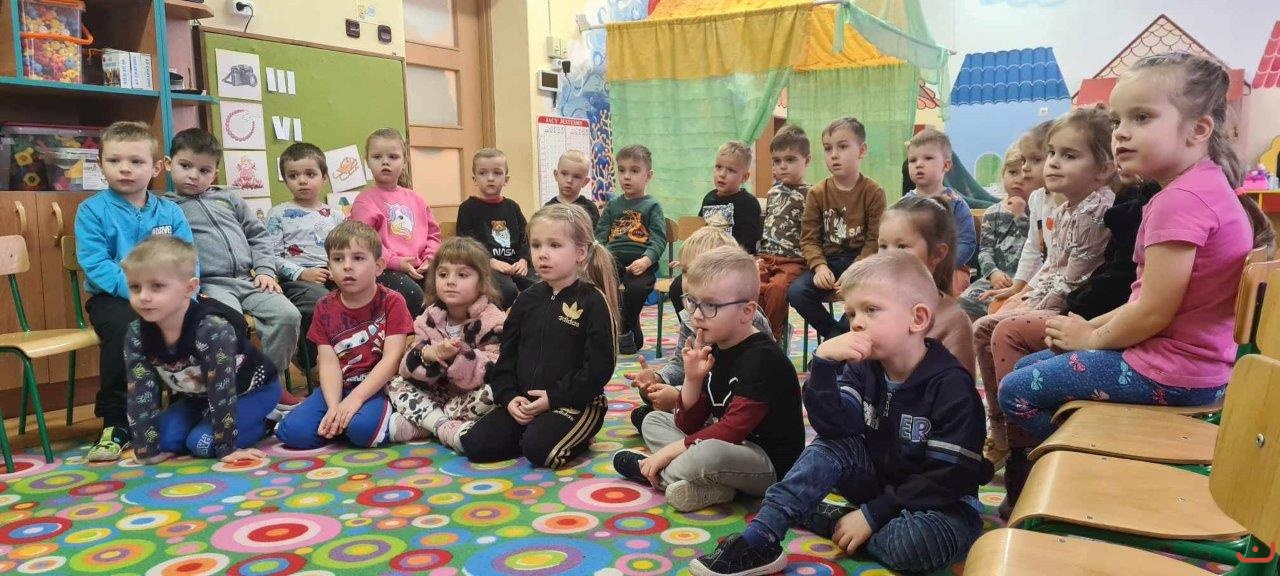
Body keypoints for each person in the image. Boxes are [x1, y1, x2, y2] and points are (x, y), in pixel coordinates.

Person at [998, 53, 1277, 511]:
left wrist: (1090, 337)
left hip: (1173, 373)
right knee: (1031, 367)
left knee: (1015, 391)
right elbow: (1147, 298)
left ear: (1198, 130)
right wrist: (1087, 330)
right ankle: (1091, 458)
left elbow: (1153, 312)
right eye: (1117, 120)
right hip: (1192, 366)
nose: (1121, 133)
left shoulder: (1180, 202)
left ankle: (1101, 468)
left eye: (1141, 117)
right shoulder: (1203, 188)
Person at [691, 251, 987, 576]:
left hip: (942, 505)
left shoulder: (951, 386)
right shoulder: (864, 368)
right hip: (880, 485)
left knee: (915, 545)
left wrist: (873, 514)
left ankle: (831, 519)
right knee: (829, 447)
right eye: (851, 313)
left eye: (871, 310)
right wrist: (822, 366)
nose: (856, 322)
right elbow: (834, 428)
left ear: (917, 319)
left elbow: (947, 478)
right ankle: (761, 536)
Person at [76, 121, 245, 462]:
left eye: (136, 161)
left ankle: (204, 399)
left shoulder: (169, 210)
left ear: (155, 168)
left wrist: (184, 299)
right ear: (101, 165)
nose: (125, 168)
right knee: (128, 329)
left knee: (227, 320)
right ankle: (115, 421)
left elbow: (188, 258)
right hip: (116, 298)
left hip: (174, 296)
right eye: (114, 161)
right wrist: (140, 294)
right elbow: (97, 263)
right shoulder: (91, 211)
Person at [974, 106, 1118, 468]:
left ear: (1103, 169)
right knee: (985, 325)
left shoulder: (1095, 209)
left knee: (998, 329)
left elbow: (1073, 279)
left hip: (1076, 308)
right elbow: (1048, 262)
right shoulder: (1068, 206)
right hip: (1056, 293)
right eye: (1051, 154)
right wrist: (1021, 291)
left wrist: (1029, 303)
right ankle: (1002, 428)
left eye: (1066, 155)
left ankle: (1020, 445)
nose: (1050, 164)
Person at [613, 245, 802, 512]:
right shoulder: (714, 346)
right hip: (725, 446)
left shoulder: (763, 359)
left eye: (711, 305)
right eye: (693, 302)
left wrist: (669, 451)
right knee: (654, 420)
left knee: (709, 451)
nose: (697, 314)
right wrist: (692, 380)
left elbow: (731, 430)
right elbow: (688, 424)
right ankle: (714, 487)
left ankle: (653, 471)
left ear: (747, 312)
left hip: (766, 464)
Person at [461, 204, 620, 468]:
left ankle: (569, 433)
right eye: (536, 245)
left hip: (575, 402)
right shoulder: (527, 299)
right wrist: (509, 398)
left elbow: (599, 368)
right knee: (475, 445)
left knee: (540, 451)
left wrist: (554, 398)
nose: (542, 254)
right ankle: (536, 431)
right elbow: (506, 358)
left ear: (580, 252)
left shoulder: (593, 301)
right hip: (526, 402)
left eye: (554, 245)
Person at [122, 236, 279, 464]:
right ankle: (206, 422)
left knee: (201, 444)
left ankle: (267, 421)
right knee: (162, 441)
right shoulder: (137, 333)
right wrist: (146, 450)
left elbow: (222, 389)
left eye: (157, 286)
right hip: (199, 398)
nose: (144, 297)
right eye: (135, 287)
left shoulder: (211, 328)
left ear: (189, 288)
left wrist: (227, 447)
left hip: (251, 391)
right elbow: (140, 391)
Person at [166, 128, 302, 388]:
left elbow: (258, 235)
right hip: (211, 285)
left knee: (288, 315)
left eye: (204, 170)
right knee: (228, 325)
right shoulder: (167, 207)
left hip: (249, 279)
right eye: (185, 166)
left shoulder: (228, 198)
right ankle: (233, 387)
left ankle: (267, 383)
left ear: (215, 173)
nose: (193, 175)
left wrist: (265, 269)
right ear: (168, 164)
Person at [274, 221, 414, 449]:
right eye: (338, 259)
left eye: (358, 258)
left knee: (362, 431)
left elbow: (391, 360)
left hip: (379, 387)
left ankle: (377, 421)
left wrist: (355, 400)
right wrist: (334, 408)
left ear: (379, 266)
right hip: (338, 386)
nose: (347, 266)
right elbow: (328, 363)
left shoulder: (392, 301)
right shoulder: (323, 306)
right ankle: (343, 423)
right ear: (329, 267)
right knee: (292, 433)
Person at [624, 227, 773, 431]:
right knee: (649, 417)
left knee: (663, 417)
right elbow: (681, 363)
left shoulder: (747, 319)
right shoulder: (691, 314)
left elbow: (752, 385)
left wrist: (680, 397)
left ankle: (692, 433)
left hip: (739, 409)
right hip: (701, 396)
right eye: (685, 272)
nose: (687, 281)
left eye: (697, 272)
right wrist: (658, 379)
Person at [386, 237, 506, 451]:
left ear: (482, 281)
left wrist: (459, 356)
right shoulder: (429, 316)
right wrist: (428, 355)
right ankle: (442, 426)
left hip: (468, 398)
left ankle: (427, 423)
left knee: (497, 391)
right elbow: (406, 367)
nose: (450, 281)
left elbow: (495, 366)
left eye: (462, 275)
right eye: (443, 274)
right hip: (434, 393)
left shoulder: (493, 319)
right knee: (393, 382)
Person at [788, 117, 886, 340]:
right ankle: (837, 337)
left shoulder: (873, 192)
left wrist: (857, 269)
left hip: (863, 263)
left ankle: (838, 341)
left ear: (862, 150)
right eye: (827, 148)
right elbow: (809, 239)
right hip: (829, 263)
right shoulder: (817, 193)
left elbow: (875, 240)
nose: (834, 155)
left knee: (870, 294)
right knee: (796, 292)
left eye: (842, 147)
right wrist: (819, 266)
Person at [876, 196, 977, 375]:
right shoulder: (872, 306)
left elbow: (959, 386)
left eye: (902, 246)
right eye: (883, 246)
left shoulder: (953, 320)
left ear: (937, 254)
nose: (888, 256)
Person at [266, 142, 345, 367]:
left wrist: (338, 269)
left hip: (334, 276)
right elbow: (271, 256)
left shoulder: (335, 215)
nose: (302, 180)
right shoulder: (278, 214)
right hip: (297, 281)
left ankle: (352, 357)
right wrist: (302, 273)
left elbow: (345, 250)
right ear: (285, 180)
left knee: (363, 297)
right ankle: (307, 359)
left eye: (310, 174)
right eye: (293, 175)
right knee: (320, 302)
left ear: (324, 177)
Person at [351, 128, 441, 318]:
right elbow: (364, 242)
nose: (385, 162)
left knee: (450, 289)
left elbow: (433, 235)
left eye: (393, 157)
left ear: (404, 160)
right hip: (384, 268)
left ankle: (440, 333)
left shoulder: (417, 199)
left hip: (420, 267)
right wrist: (397, 262)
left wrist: (430, 259)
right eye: (377, 157)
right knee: (412, 294)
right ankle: (408, 335)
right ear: (367, 161)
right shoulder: (364, 201)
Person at [669, 140, 763, 314]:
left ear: (744, 177)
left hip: (731, 266)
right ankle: (693, 326)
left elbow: (747, 245)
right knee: (677, 288)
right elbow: (699, 235)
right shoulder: (709, 198)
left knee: (715, 293)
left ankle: (716, 327)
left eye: (731, 170)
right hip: (704, 264)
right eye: (718, 167)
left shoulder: (748, 203)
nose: (722, 174)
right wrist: (687, 259)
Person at [595, 144, 667, 355]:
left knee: (637, 288)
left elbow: (659, 239)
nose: (626, 176)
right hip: (613, 258)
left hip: (641, 260)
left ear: (648, 175)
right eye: (622, 170)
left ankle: (625, 325)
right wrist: (601, 257)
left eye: (634, 171)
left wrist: (646, 260)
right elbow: (600, 236)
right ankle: (621, 326)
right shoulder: (613, 206)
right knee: (597, 283)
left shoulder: (652, 206)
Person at [456, 147, 534, 309]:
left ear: (506, 179)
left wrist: (524, 260)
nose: (490, 178)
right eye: (483, 173)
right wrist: (490, 261)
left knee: (544, 285)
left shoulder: (513, 207)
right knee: (507, 291)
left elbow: (526, 237)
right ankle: (496, 321)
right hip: (486, 267)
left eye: (497, 173)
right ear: (474, 178)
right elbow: (465, 245)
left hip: (516, 265)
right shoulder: (467, 208)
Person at [756, 125, 813, 342]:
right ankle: (753, 334)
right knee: (749, 286)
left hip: (793, 261)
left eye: (790, 159)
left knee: (777, 290)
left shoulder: (812, 194)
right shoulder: (772, 192)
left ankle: (771, 337)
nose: (782, 166)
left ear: (806, 160)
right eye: (777, 161)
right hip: (766, 257)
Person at [959, 146, 1029, 319]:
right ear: (1003, 174)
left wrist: (1020, 216)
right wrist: (993, 273)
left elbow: (1038, 249)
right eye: (1012, 172)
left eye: (1025, 174)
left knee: (1017, 309)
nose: (1018, 180)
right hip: (995, 279)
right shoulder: (992, 212)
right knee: (964, 302)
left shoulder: (1039, 212)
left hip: (1026, 282)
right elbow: (985, 250)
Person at [904, 129, 977, 293]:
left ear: (946, 165)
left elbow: (966, 242)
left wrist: (943, 264)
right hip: (912, 268)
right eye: (912, 160)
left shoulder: (956, 203)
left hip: (950, 268)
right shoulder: (903, 206)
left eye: (928, 158)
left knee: (952, 287)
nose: (918, 164)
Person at [544, 150, 600, 226]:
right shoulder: (548, 209)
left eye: (576, 177)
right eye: (564, 174)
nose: (569, 180)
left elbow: (595, 233)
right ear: (556, 175)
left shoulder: (590, 209)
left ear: (585, 182)